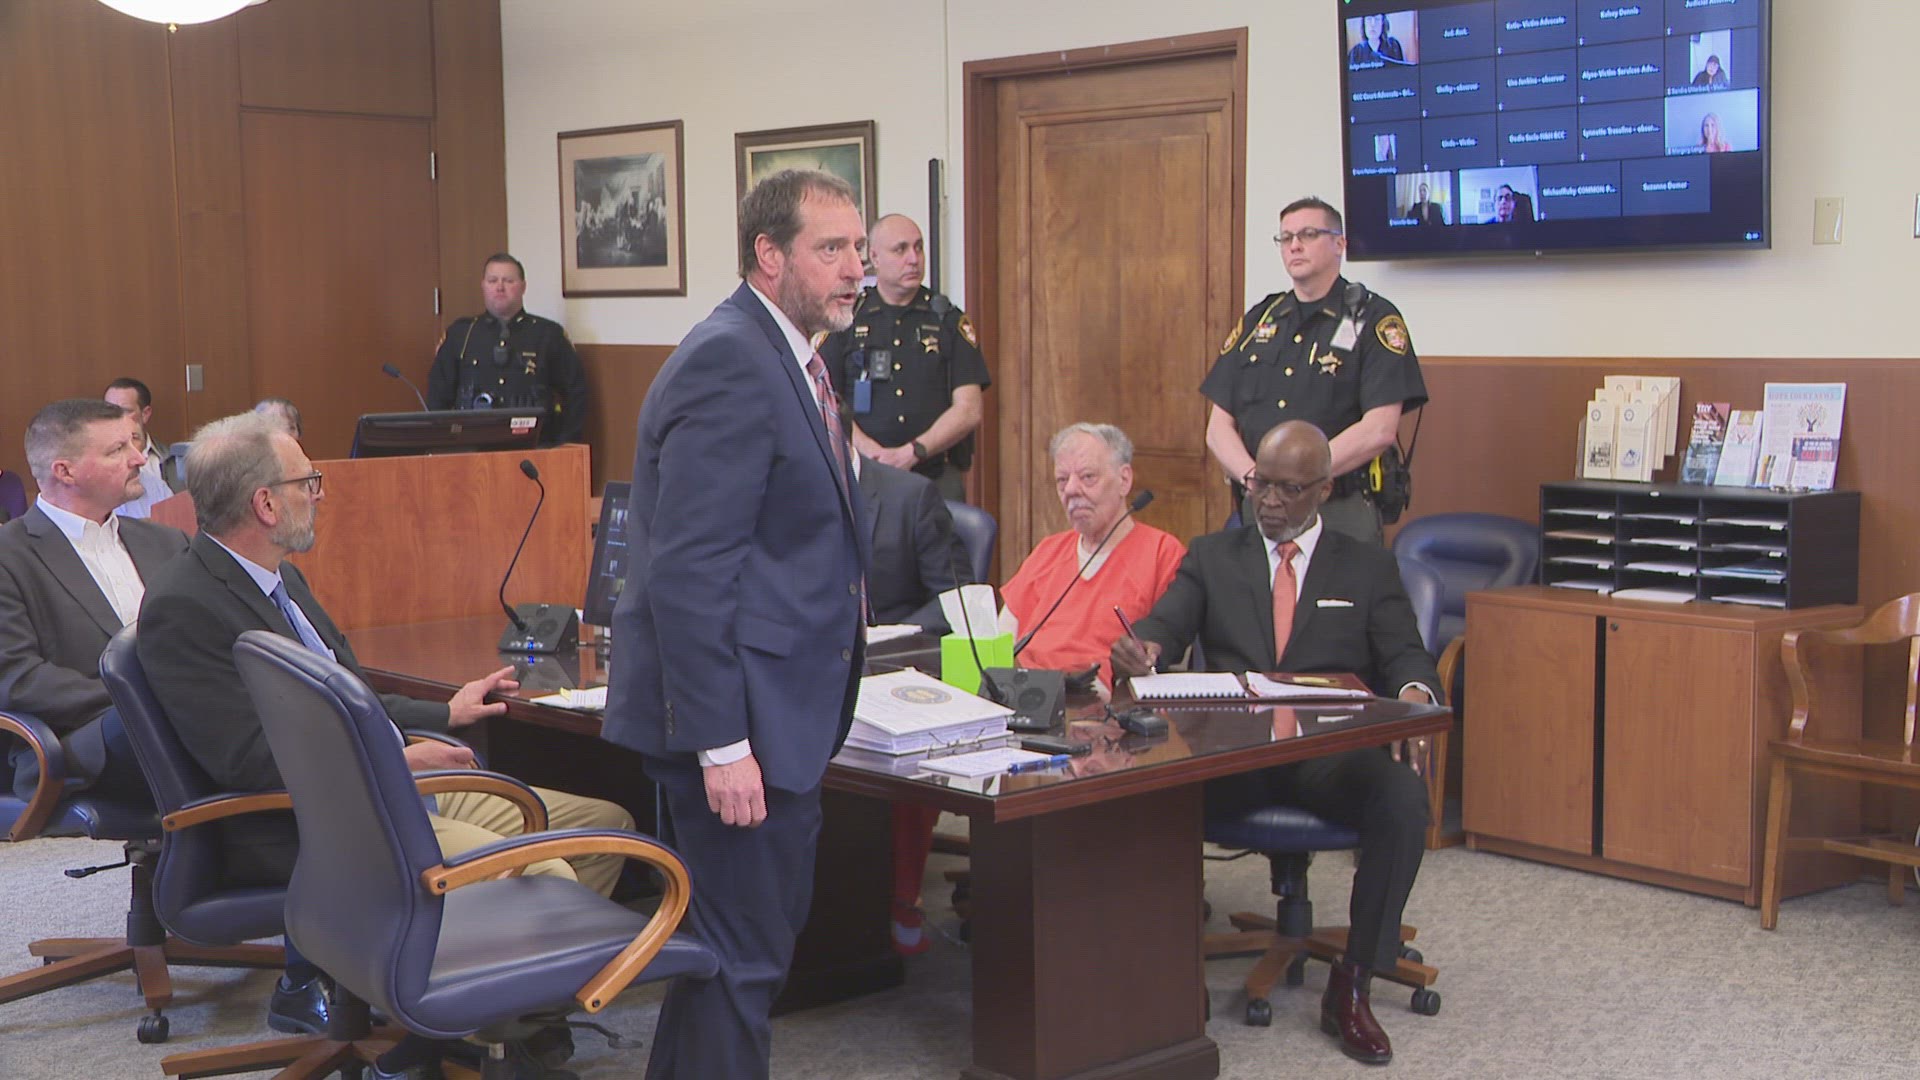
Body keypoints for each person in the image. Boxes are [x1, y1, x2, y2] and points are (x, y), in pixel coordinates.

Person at [137, 411, 632, 1049]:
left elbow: (352, 697)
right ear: (265, 504)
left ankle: (505, 1017)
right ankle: (450, 1027)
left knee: (606, 828)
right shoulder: (184, 604)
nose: (318, 496)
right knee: (549, 873)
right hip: (327, 821)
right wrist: (394, 763)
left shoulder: (277, 576)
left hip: (391, 787)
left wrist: (446, 712)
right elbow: (248, 759)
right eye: (307, 483)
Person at [602, 169, 870, 1080]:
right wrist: (722, 744)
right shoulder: (732, 360)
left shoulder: (789, 356)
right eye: (831, 249)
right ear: (770, 254)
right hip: (738, 725)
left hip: (776, 710)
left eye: (858, 248)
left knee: (729, 958)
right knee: (742, 961)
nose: (855, 268)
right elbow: (687, 574)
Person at [1110, 420, 1438, 1066]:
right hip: (1235, 755)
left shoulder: (1366, 566)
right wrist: (1144, 648)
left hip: (1328, 757)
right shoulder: (1213, 556)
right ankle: (1175, 975)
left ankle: (1352, 983)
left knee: (1403, 799)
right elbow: (1164, 627)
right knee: (1150, 793)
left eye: (1289, 489)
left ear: (1324, 490)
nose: (1268, 501)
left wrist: (1415, 700)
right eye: (1260, 484)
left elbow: (1407, 656)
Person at [1202, 196, 1428, 544]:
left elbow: (1379, 430)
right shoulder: (1260, 318)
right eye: (1285, 237)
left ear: (1340, 244)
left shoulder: (1374, 318)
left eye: (1308, 234)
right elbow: (1218, 428)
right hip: (1260, 505)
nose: (1294, 245)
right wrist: (1255, 479)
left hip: (1336, 508)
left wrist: (1300, 479)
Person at [0, 399, 187, 805]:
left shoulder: (166, 542)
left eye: (134, 443)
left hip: (182, 716)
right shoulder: (9, 556)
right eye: (117, 450)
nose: (139, 458)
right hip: (77, 741)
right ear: (64, 472)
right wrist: (145, 698)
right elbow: (16, 679)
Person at [818, 214, 991, 502]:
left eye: (918, 247)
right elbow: (823, 399)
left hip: (933, 475)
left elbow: (969, 408)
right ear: (874, 257)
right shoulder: (846, 319)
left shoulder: (947, 320)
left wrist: (913, 452)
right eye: (900, 249)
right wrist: (870, 452)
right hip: (862, 474)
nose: (914, 259)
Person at [1000, 423, 1186, 689]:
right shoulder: (1048, 551)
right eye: (1062, 480)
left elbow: (1166, 647)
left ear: (1124, 480)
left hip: (1105, 701)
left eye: (1087, 477)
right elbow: (1000, 641)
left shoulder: (1162, 553)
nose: (1071, 490)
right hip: (1027, 695)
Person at [427, 253, 591, 445]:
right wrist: (445, 444)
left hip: (535, 447)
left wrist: (564, 446)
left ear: (523, 286)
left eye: (508, 281)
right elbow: (437, 396)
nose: (499, 287)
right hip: (471, 446)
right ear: (483, 286)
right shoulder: (461, 334)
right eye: (492, 280)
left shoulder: (548, 335)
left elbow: (576, 394)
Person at [855, 452, 970, 632]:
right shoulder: (805, 498)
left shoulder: (913, 496)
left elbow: (956, 598)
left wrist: (895, 633)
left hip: (892, 643)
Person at [104, 377, 175, 519]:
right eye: (109, 410)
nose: (115, 417)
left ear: (145, 414)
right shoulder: (90, 482)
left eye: (125, 411)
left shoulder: (167, 469)